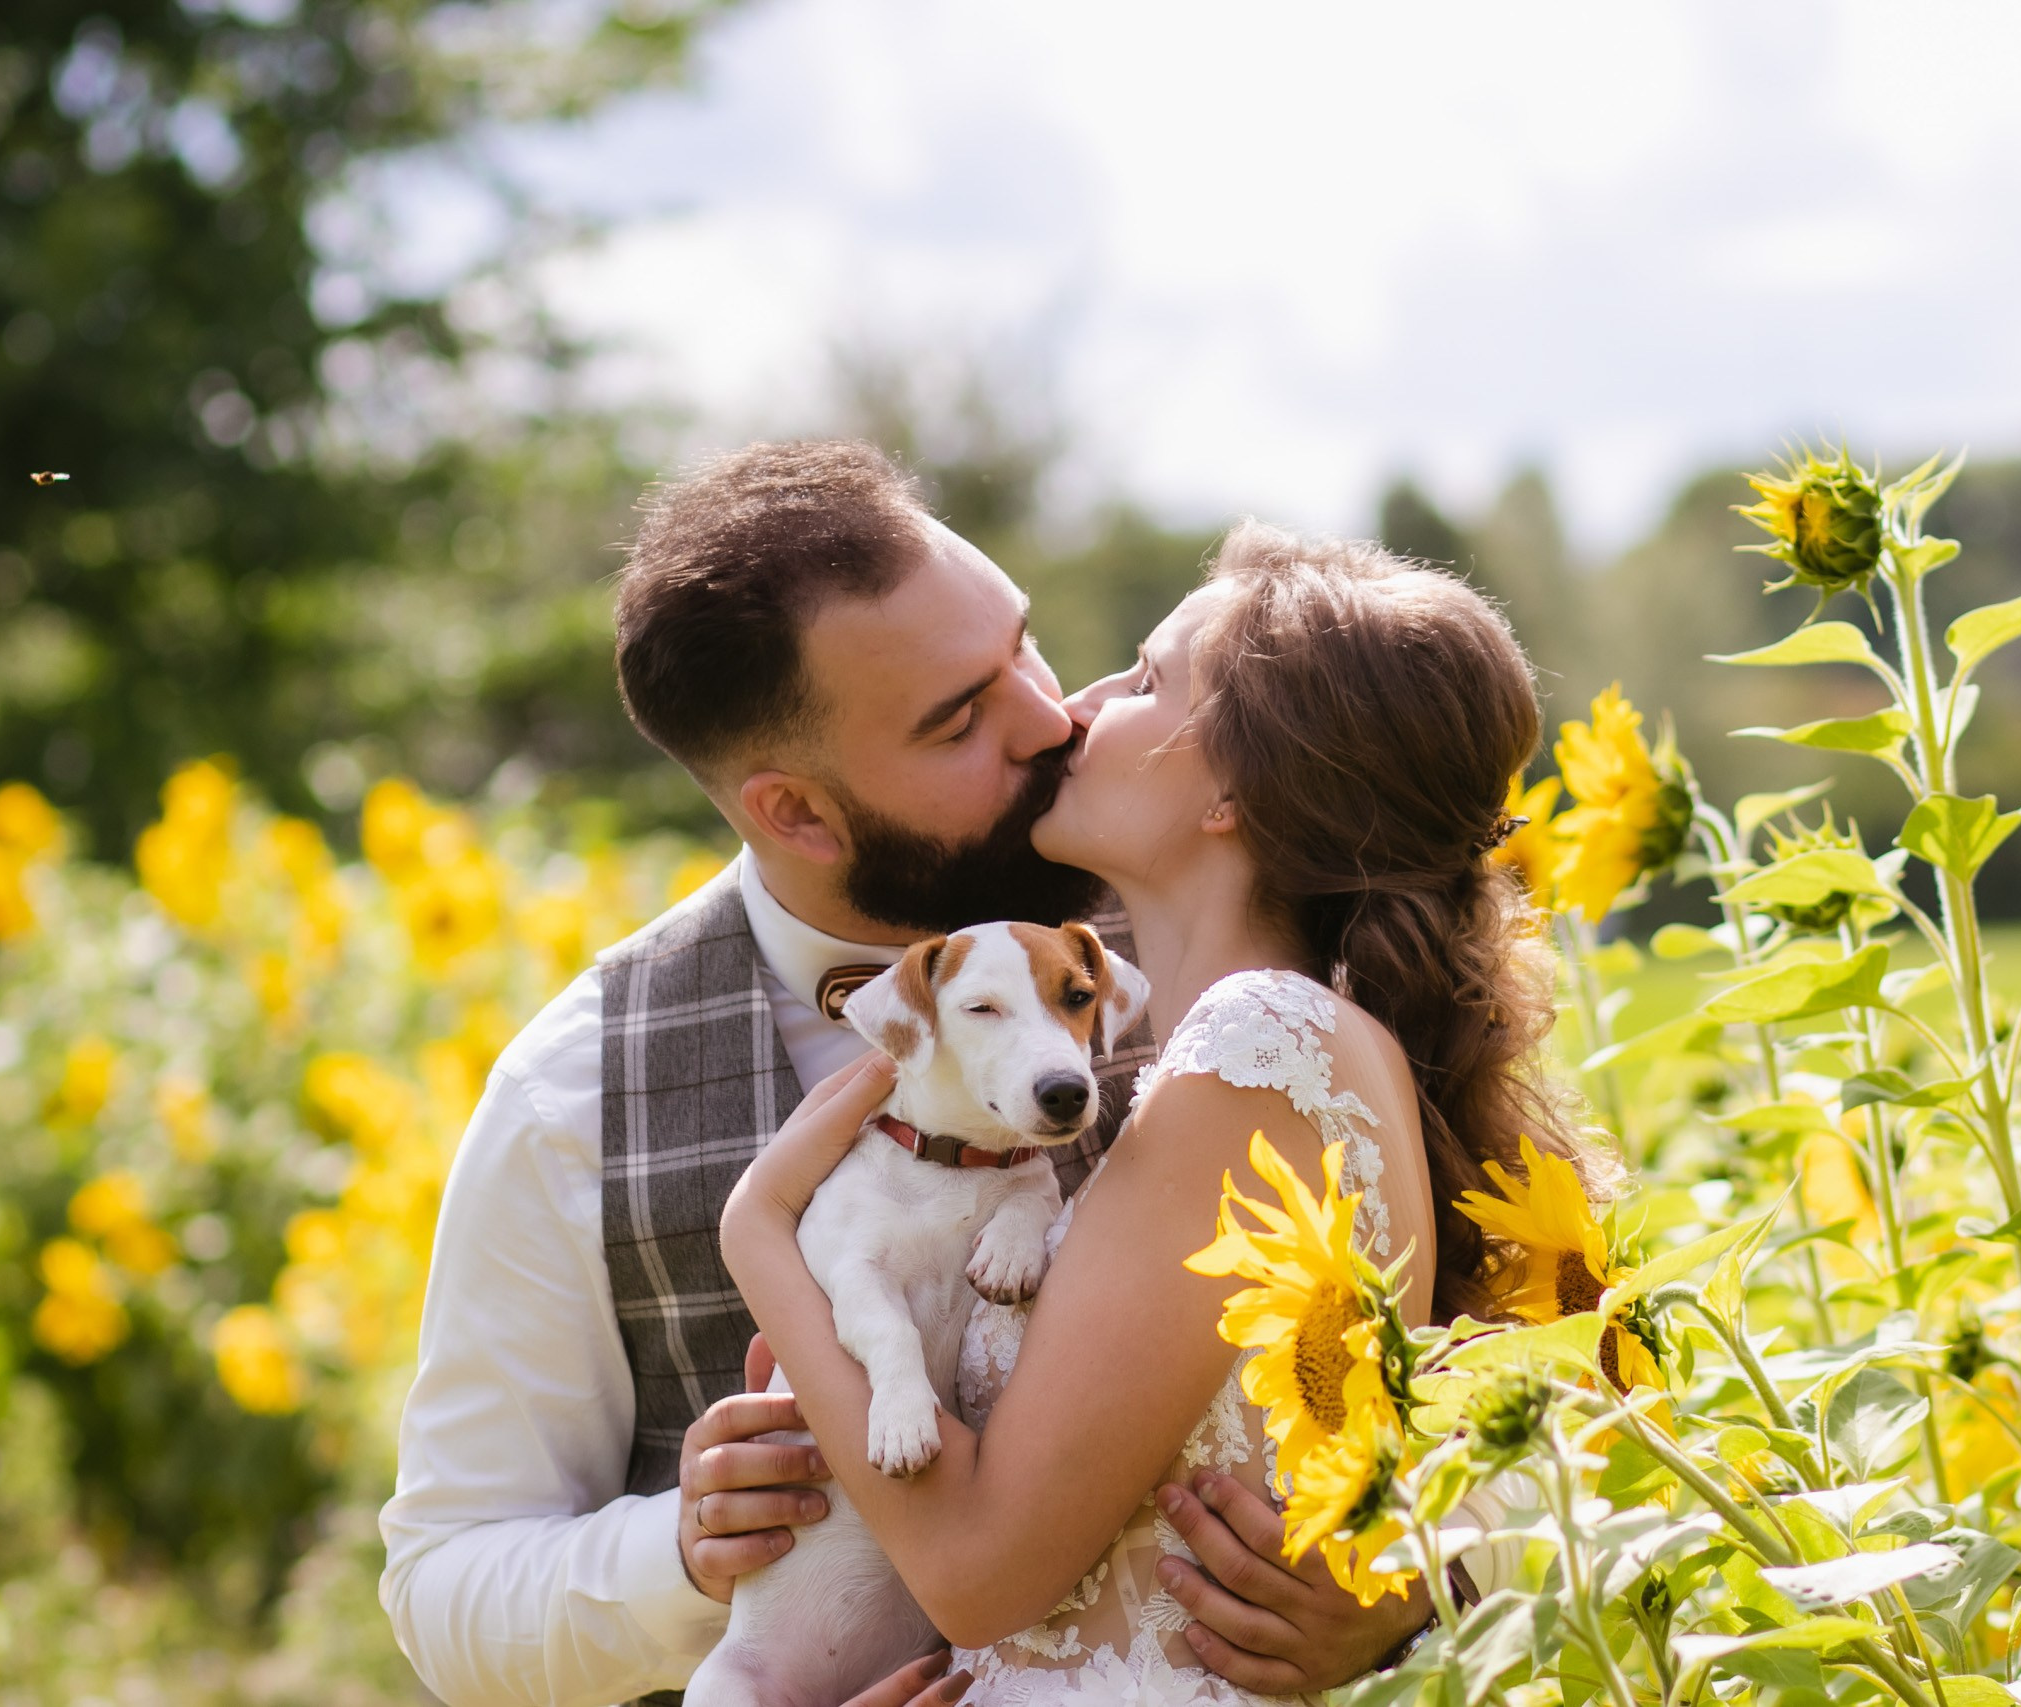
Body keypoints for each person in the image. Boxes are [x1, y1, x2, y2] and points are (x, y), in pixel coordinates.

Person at [379, 446, 1431, 1705]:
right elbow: (441, 1582)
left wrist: (1413, 1590)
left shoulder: (1206, 937)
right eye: (959, 719)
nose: (1053, 719)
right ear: (799, 816)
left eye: (1023, 649)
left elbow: (1496, 1363)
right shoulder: (575, 1095)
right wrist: (685, 1548)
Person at [719, 521, 1591, 1702]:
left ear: (1229, 789)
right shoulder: (1254, 1053)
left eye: (1141, 679)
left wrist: (763, 1237)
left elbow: (978, 1571)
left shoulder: (1251, 1050)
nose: (1075, 705)